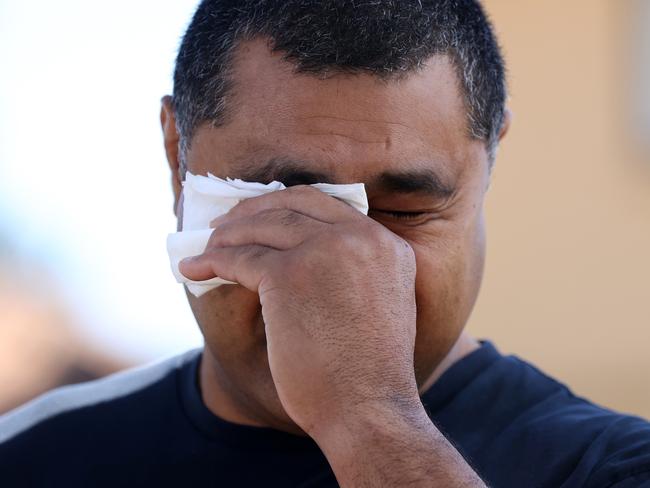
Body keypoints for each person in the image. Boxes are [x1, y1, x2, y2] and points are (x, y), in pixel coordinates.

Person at [1, 1, 649, 486]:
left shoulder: (610, 466)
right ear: (179, 160)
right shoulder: (32, 459)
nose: (349, 261)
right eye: (288, 203)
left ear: (488, 164)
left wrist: (370, 421)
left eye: (403, 210)